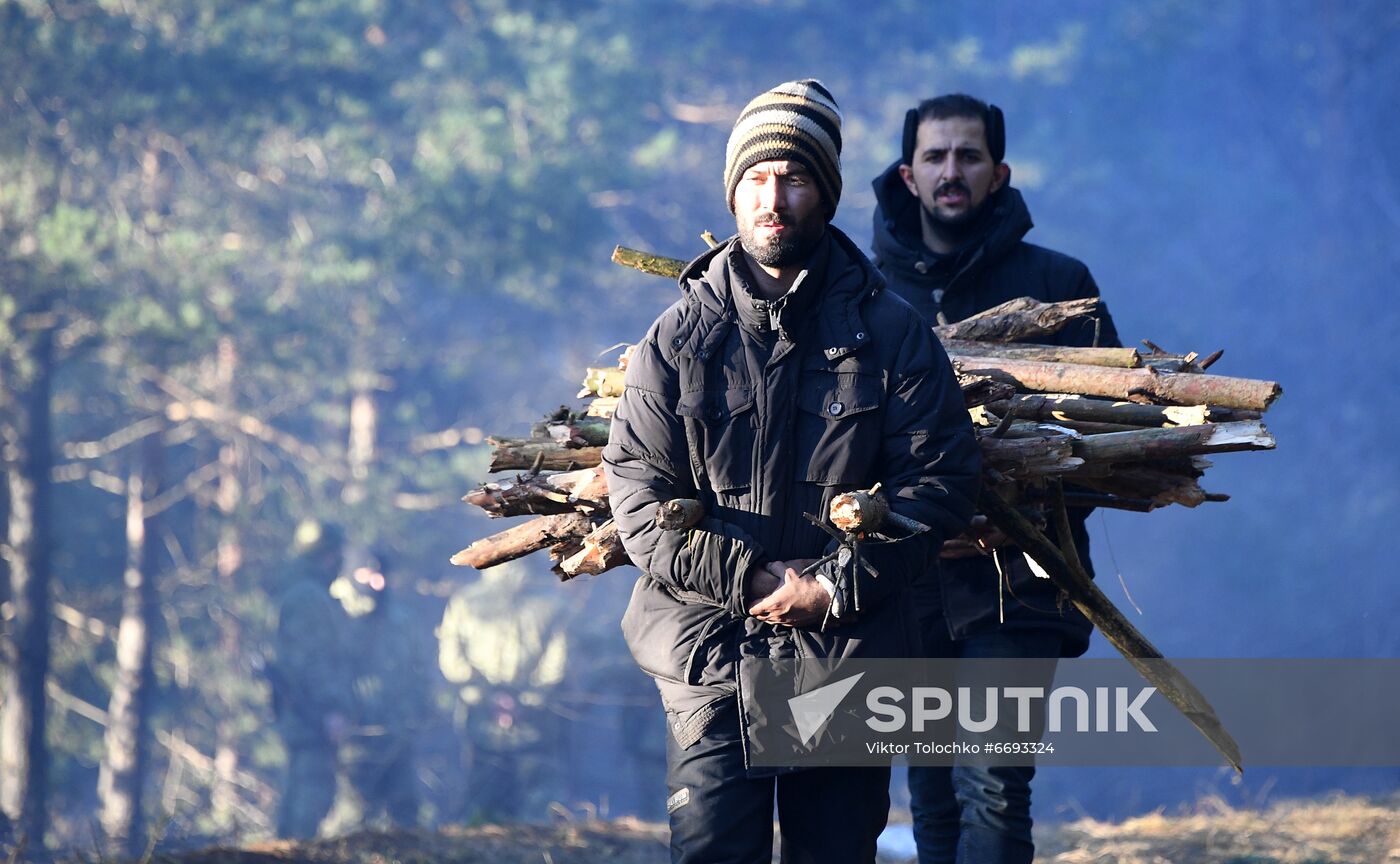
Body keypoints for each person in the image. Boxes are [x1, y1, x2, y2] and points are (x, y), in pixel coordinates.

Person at [604, 79, 980, 864]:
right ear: (733, 191)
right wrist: (747, 584)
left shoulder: (891, 335)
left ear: (828, 193)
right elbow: (637, 493)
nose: (773, 197)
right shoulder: (676, 340)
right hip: (708, 653)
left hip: (847, 655)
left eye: (796, 177)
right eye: (756, 178)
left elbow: (939, 482)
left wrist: (833, 585)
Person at [870, 94, 1121, 864]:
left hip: (1020, 581)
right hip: (905, 584)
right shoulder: (863, 289)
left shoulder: (1058, 287)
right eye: (938, 157)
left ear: (999, 173)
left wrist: (1008, 512)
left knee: (996, 782)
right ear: (909, 175)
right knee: (932, 790)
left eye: (969, 157)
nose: (953, 171)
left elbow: (1103, 446)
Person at [270, 520, 355, 839]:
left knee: (299, 793)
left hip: (302, 712)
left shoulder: (298, 593)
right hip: (312, 714)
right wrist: (330, 709)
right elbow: (314, 660)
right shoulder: (309, 598)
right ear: (329, 555)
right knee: (311, 796)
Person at [339, 550, 429, 829]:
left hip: (398, 726)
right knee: (355, 813)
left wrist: (420, 709)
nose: (376, 582)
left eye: (381, 575)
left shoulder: (401, 620)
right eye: (368, 574)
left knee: (404, 807)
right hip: (356, 732)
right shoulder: (339, 617)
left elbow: (418, 667)